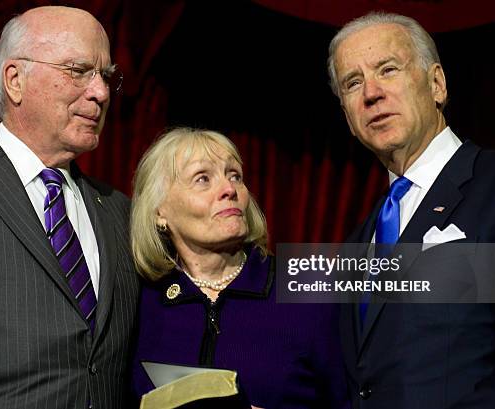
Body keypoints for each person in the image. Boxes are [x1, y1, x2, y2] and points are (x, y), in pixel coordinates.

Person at [0, 6, 139, 408]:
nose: (101, 92)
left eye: (106, 76)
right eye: (78, 70)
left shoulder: (118, 211)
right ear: (15, 81)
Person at [327, 11, 495, 409]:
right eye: (353, 82)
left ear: (436, 84)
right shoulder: (357, 240)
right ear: (349, 119)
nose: (371, 93)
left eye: (388, 69)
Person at [129, 127, 349, 408]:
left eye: (235, 176)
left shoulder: (309, 284)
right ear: (160, 211)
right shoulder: (141, 297)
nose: (229, 190)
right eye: (203, 179)